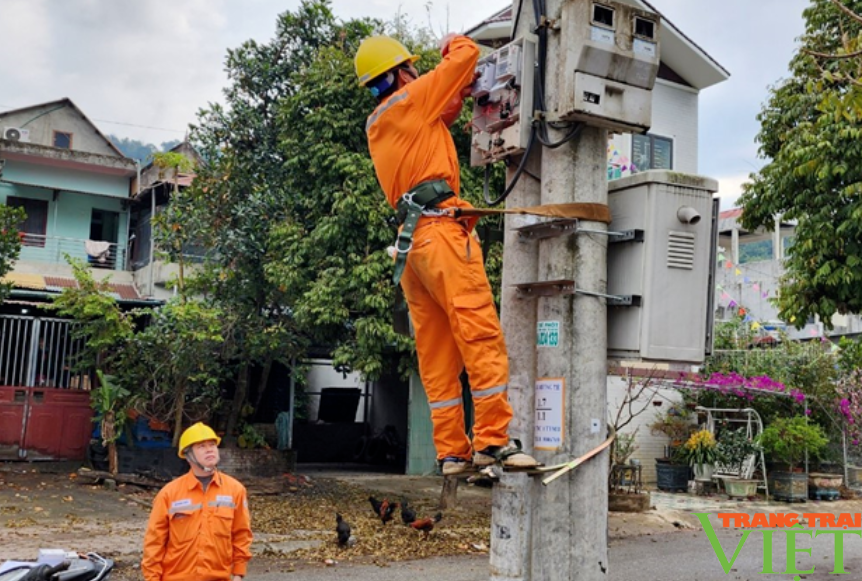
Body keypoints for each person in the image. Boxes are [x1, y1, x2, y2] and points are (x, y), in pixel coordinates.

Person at [355, 34, 537, 475]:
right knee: (479, 333)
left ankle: (452, 452)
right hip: (439, 234)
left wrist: (458, 91)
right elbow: (468, 54)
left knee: (436, 353)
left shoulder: (383, 120)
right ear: (402, 73)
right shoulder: (412, 101)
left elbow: (445, 111)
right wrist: (451, 43)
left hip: (412, 246)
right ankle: (493, 441)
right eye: (413, 69)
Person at [142, 422, 252, 581]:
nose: (209, 449)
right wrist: (152, 578)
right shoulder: (169, 493)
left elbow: (241, 534)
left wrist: (238, 573)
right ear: (188, 455)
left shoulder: (235, 490)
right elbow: (154, 542)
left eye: (212, 445)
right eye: (201, 446)